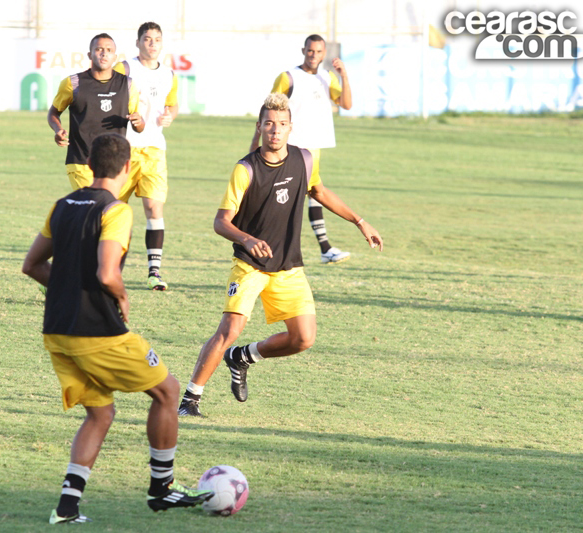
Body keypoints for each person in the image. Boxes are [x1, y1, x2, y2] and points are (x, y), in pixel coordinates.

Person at [22, 133, 213, 523]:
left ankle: (67, 508)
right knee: (168, 391)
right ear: (128, 168)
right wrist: (121, 295)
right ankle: (161, 490)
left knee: (99, 414)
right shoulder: (116, 211)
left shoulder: (61, 206)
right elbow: (107, 272)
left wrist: (68, 288)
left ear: (89, 164)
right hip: (97, 332)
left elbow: (32, 266)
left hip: (58, 331)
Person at [178, 94, 383, 417]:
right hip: (250, 267)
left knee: (303, 338)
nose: (275, 131)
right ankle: (190, 400)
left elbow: (320, 191)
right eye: (269, 124)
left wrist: (359, 221)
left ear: (291, 128)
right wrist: (247, 240)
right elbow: (221, 222)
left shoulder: (303, 160)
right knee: (229, 330)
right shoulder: (245, 169)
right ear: (259, 127)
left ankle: (243, 357)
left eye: (282, 125)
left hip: (288, 267)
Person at [250, 34, 353, 264]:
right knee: (292, 195)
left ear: (324, 53)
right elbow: (268, 111)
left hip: (313, 148)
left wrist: (344, 75)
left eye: (318, 51)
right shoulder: (288, 78)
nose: (313, 55)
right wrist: (256, 142)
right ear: (303, 50)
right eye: (310, 51)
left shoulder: (328, 78)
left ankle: (321, 247)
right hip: (291, 147)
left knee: (311, 194)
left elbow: (346, 104)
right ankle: (316, 247)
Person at [113, 22, 179, 291]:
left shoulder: (169, 74)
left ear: (162, 44)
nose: (152, 44)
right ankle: (111, 270)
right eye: (147, 39)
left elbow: (173, 104)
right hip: (123, 149)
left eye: (157, 39)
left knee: (154, 208)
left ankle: (154, 272)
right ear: (138, 42)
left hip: (154, 150)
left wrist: (169, 116)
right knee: (116, 211)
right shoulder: (125, 69)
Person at [47, 33, 145, 191]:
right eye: (98, 49)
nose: (104, 53)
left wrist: (139, 123)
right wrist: (58, 130)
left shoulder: (127, 85)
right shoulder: (73, 83)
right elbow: (53, 112)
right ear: (89, 54)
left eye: (108, 50)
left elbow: (139, 126)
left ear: (115, 56)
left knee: (105, 211)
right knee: (93, 206)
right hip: (81, 161)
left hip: (114, 163)